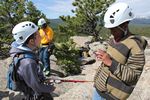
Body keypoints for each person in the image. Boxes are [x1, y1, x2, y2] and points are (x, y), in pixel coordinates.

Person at [92, 2, 147, 100]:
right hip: (98, 90)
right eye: (110, 29)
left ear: (125, 26)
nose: (111, 32)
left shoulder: (135, 46)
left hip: (111, 97)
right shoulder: (113, 39)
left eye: (114, 29)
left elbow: (133, 77)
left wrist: (110, 62)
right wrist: (104, 56)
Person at [10, 21, 55, 100]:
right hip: (34, 95)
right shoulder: (28, 62)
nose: (41, 37)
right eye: (38, 35)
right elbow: (36, 85)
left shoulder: (20, 53)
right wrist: (51, 88)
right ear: (31, 41)